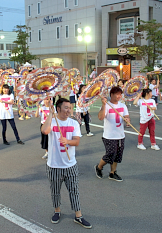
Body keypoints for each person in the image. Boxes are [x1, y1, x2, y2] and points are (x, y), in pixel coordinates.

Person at [41, 98, 91, 229]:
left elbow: (77, 141)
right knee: (55, 191)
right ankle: (57, 211)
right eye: (66, 108)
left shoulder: (74, 123)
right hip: (54, 165)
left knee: (74, 190)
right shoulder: (52, 121)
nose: (69, 110)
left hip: (70, 165)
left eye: (70, 108)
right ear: (58, 109)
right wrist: (50, 114)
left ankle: (78, 215)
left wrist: (67, 141)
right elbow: (44, 131)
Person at [95, 86, 130, 182]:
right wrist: (103, 105)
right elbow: (100, 117)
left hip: (120, 135)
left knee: (118, 155)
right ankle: (99, 167)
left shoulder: (123, 106)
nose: (119, 96)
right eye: (117, 94)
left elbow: (126, 116)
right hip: (109, 136)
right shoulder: (107, 105)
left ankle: (112, 173)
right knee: (110, 154)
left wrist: (127, 120)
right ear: (111, 95)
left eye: (120, 94)